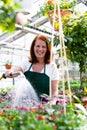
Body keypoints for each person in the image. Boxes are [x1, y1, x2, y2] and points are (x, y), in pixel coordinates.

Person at [5, 34, 59, 100]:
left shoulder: (52, 67)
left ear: (47, 49)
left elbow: (54, 90)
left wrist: (52, 103)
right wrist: (11, 71)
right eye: (38, 46)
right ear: (33, 47)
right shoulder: (27, 63)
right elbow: (16, 68)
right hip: (26, 106)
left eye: (43, 47)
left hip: (44, 107)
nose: (40, 49)